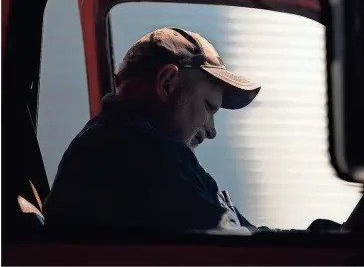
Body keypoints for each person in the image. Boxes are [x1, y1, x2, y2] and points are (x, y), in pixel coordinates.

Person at [43, 27, 262, 234]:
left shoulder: (133, 145)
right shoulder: (139, 153)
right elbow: (237, 250)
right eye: (209, 106)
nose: (212, 130)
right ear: (167, 83)